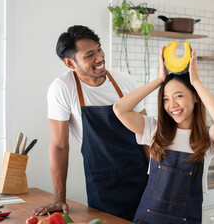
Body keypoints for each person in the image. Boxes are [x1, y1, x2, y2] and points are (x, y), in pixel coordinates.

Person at [33, 25, 149, 221]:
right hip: (103, 184)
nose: (100, 58)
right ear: (70, 63)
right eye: (89, 55)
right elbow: (60, 146)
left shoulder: (124, 81)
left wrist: (158, 178)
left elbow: (146, 133)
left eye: (99, 49)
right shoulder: (63, 88)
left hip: (141, 178)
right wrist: (59, 197)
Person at [113, 45, 214, 223]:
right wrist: (159, 80)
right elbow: (119, 109)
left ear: (195, 96)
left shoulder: (208, 138)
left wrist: (196, 82)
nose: (172, 105)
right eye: (166, 99)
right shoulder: (154, 130)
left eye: (179, 96)